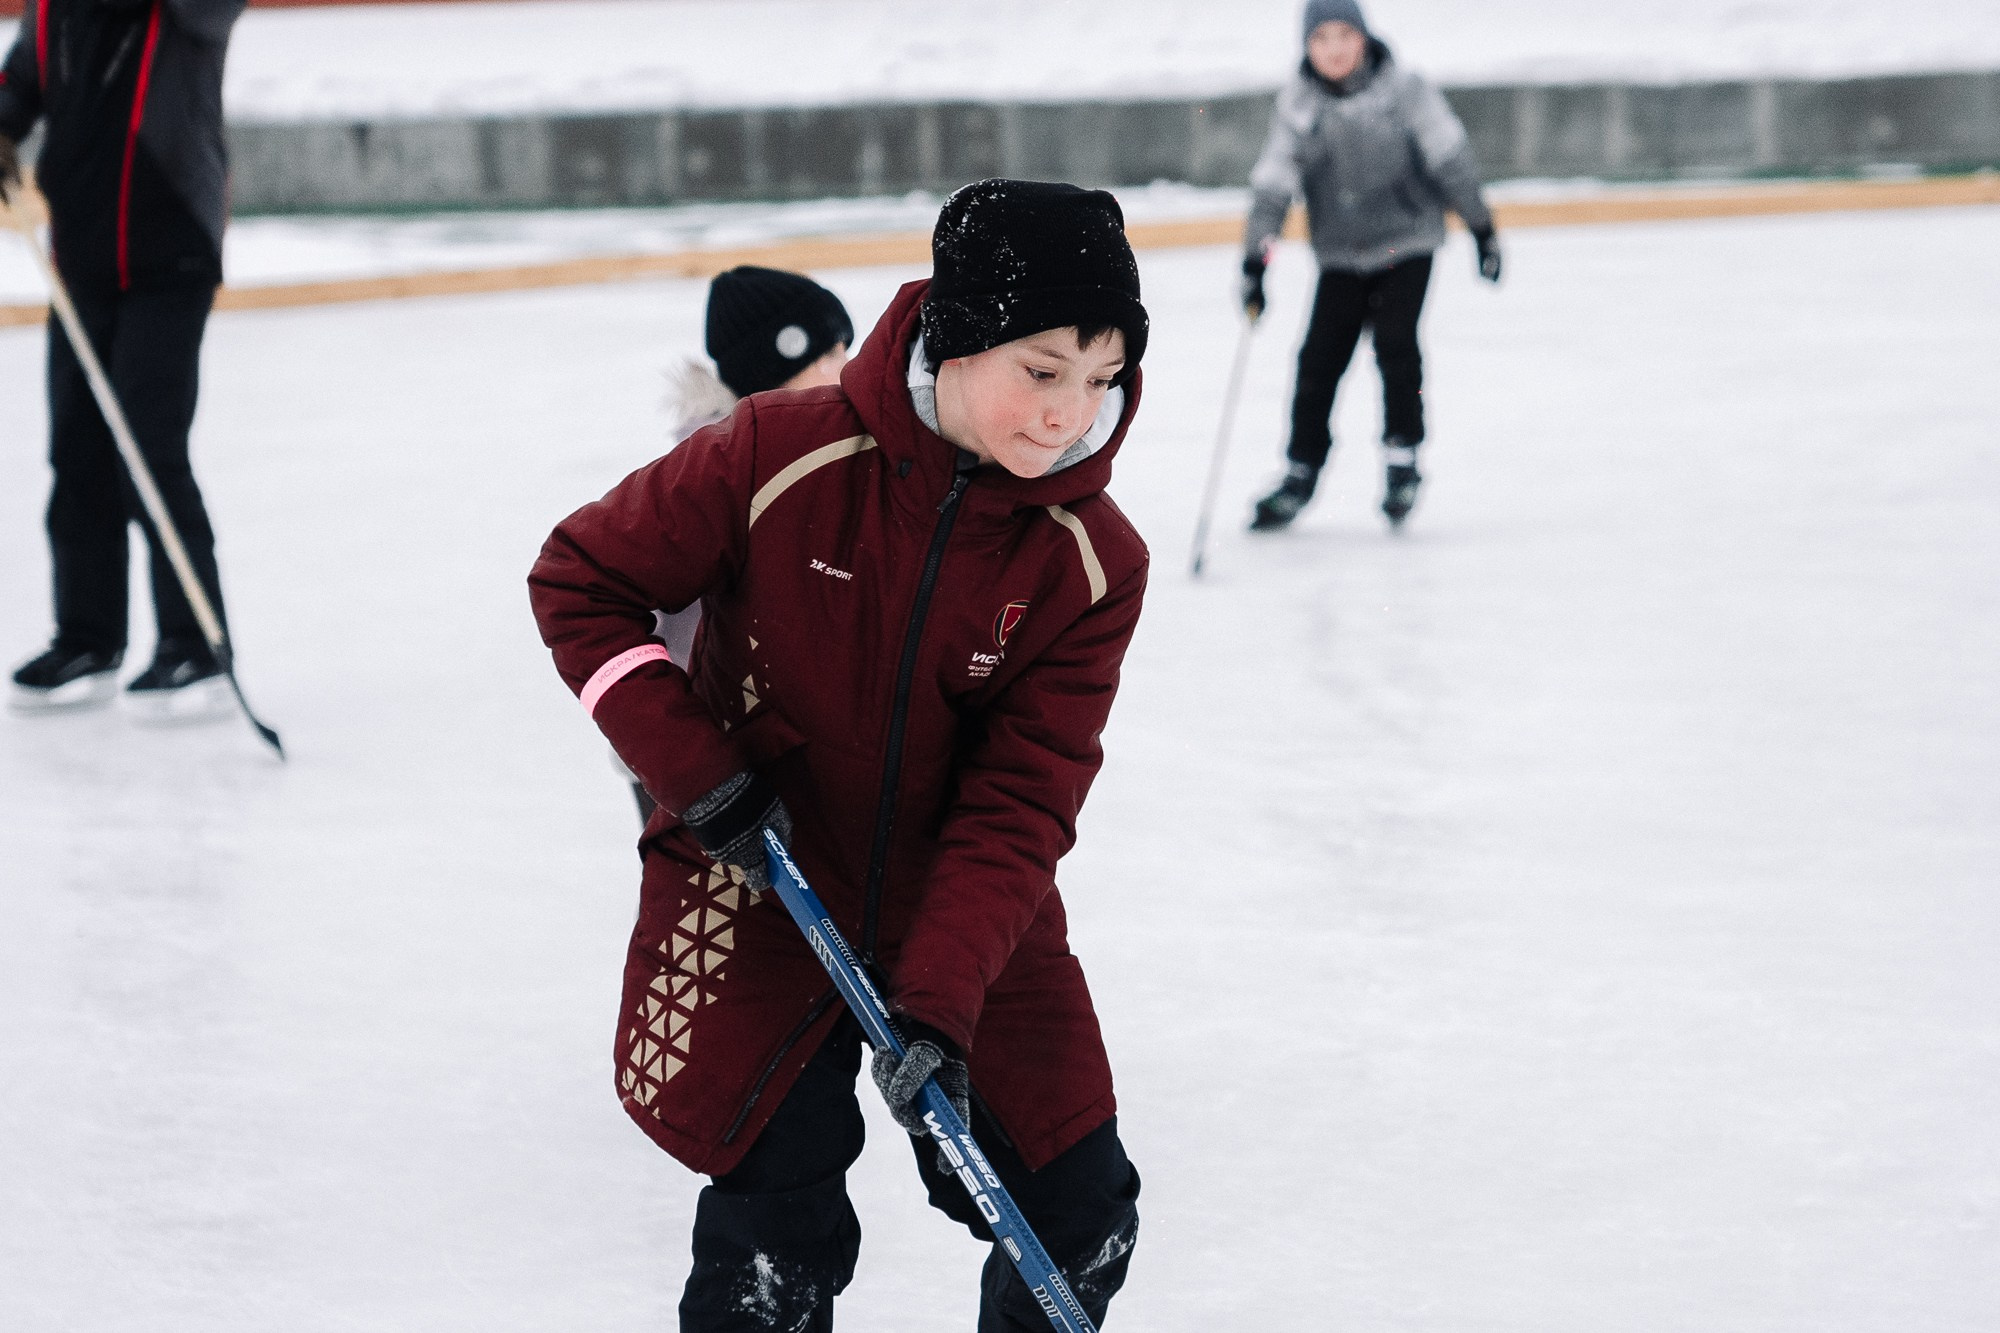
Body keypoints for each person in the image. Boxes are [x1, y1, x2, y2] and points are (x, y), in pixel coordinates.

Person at [530, 178, 1149, 1332]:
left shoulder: (1089, 560)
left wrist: (939, 1002)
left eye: (1103, 378)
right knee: (776, 1231)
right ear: (960, 339)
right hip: (754, 874)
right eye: (1044, 369)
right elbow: (581, 582)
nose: (1072, 415)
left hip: (959, 904)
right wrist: (699, 774)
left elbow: (1020, 801)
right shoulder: (776, 450)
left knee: (1080, 1211)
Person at [1, 0, 246, 716]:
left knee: (149, 449)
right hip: (81, 256)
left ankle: (193, 645)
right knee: (77, 448)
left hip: (169, 251)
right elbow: (22, 80)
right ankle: (87, 636)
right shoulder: (53, 8)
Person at [1240, 0, 1501, 532]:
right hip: (1341, 253)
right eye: (1321, 40)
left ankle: (1403, 459)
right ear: (1307, 47)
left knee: (1395, 343)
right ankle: (1300, 472)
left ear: (1364, 39)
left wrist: (1481, 228)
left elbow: (1451, 159)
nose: (1333, 49)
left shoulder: (1405, 92)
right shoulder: (1300, 105)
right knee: (1317, 361)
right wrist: (1254, 261)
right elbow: (1273, 185)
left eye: (1344, 36)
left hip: (1408, 241)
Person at [622, 266, 856, 824]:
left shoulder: (792, 462)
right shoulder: (715, 477)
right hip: (696, 759)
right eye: (833, 352)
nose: (848, 370)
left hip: (756, 745)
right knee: (715, 908)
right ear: (782, 363)